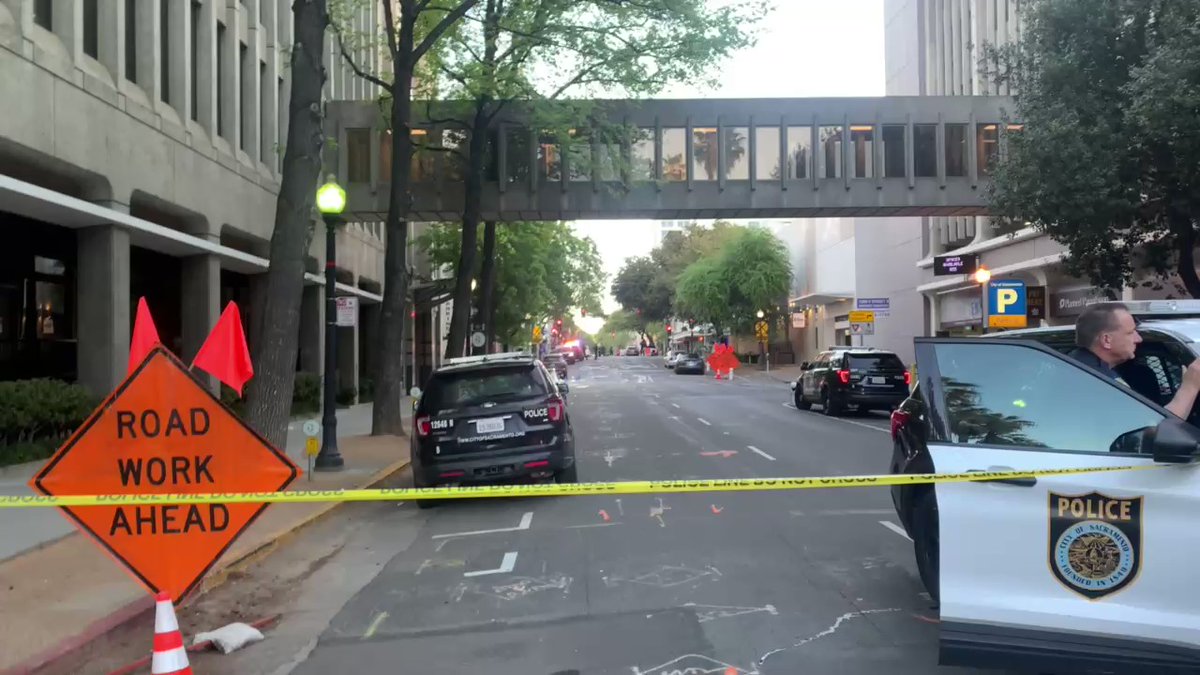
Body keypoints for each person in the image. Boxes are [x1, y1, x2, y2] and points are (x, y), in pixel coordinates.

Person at [1070, 302, 1200, 419]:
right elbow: (1153, 430)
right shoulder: (1091, 382)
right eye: (1130, 332)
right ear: (1106, 340)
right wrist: (1190, 386)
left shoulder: (1076, 368)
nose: (1138, 339)